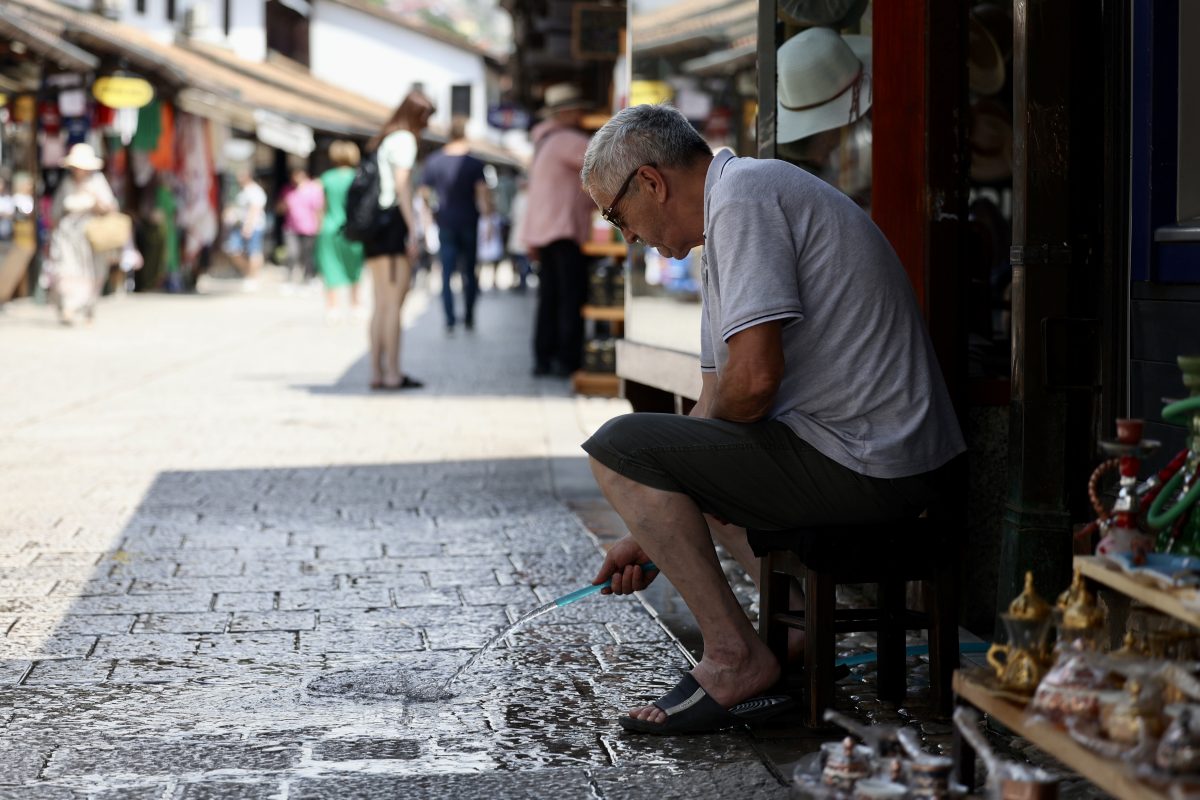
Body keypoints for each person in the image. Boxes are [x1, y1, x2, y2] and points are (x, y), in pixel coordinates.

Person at [578, 104, 966, 735]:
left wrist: (660, 487)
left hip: (877, 459)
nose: (624, 235)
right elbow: (713, 407)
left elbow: (753, 383)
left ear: (651, 182)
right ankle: (787, 635)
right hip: (861, 451)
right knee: (679, 459)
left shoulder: (744, 200)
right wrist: (654, 524)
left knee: (616, 444)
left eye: (615, 214)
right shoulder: (727, 214)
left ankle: (734, 656)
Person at [363, 87, 434, 390]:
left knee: (380, 303)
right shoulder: (404, 140)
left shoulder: (384, 139)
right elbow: (403, 186)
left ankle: (378, 372)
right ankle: (393, 372)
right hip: (393, 224)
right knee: (394, 304)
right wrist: (412, 229)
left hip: (374, 226)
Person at [522, 83, 595, 377]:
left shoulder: (544, 140)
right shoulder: (567, 140)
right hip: (563, 230)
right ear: (566, 112)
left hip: (543, 230)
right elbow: (606, 162)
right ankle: (567, 360)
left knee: (549, 298)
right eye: (577, 109)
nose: (581, 115)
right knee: (569, 298)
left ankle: (543, 358)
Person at [420, 115, 492, 332]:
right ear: (465, 134)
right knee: (469, 272)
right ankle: (469, 316)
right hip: (469, 221)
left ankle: (450, 318)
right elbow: (483, 195)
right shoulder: (474, 163)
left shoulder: (434, 161)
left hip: (445, 221)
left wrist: (431, 213)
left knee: (446, 272)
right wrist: (488, 220)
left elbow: (424, 193)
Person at [47, 143, 117, 325]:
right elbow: (57, 210)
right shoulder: (67, 183)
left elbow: (110, 207)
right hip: (68, 235)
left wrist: (95, 202)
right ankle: (68, 308)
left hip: (91, 233)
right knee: (67, 268)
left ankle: (88, 308)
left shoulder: (97, 182)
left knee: (92, 270)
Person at [315, 141, 366, 321]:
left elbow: (321, 207)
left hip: (329, 227)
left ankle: (332, 307)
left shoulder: (327, 178)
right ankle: (355, 304)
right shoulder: (357, 177)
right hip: (353, 229)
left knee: (330, 267)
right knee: (355, 267)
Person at [278, 166, 323, 286]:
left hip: (309, 227)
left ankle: (308, 278)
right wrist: (284, 204)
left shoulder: (313, 188)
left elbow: (318, 209)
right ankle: (290, 278)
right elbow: (279, 209)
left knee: (307, 255)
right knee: (292, 253)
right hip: (291, 227)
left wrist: (319, 225)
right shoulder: (287, 190)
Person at [224, 167, 267, 290]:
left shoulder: (255, 191)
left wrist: (249, 225)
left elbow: (255, 208)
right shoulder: (240, 191)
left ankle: (254, 277)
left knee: (254, 252)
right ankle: (249, 273)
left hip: (254, 226)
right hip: (238, 225)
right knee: (234, 250)